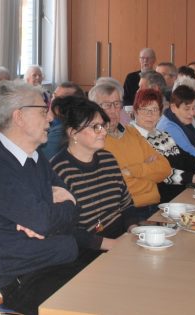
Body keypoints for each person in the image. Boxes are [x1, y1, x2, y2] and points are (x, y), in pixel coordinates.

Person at [0, 81, 84, 315]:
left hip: (52, 261)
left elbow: (72, 209)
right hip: (24, 279)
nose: (50, 118)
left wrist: (64, 204)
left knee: (120, 280)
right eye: (42, 110)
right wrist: (59, 206)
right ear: (19, 116)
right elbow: (46, 220)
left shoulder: (34, 157)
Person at [49, 96, 131, 256]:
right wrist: (111, 244)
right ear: (73, 133)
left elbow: (127, 204)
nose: (104, 131)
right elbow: (64, 229)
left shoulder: (108, 159)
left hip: (120, 239)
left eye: (103, 125)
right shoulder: (58, 170)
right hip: (87, 251)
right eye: (96, 127)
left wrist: (134, 229)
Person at [91, 83, 172, 222]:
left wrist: (132, 171)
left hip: (154, 206)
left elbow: (165, 168)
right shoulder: (95, 141)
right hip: (125, 213)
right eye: (106, 105)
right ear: (93, 109)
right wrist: (147, 171)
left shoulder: (131, 132)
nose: (113, 110)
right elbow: (115, 186)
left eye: (117, 104)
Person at [158, 85, 195, 159]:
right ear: (173, 108)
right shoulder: (168, 127)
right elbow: (192, 153)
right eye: (187, 109)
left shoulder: (179, 119)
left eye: (193, 108)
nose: (192, 113)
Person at [40, 82, 86, 159]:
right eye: (54, 96)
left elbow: (38, 160)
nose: (53, 101)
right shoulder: (51, 122)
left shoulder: (61, 131)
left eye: (60, 99)